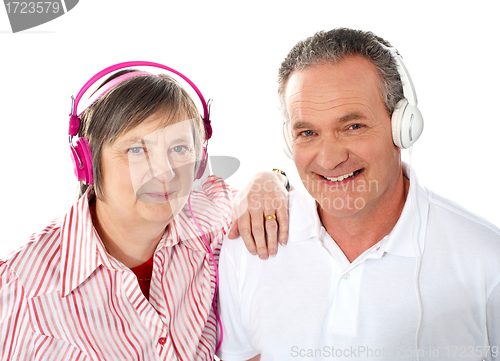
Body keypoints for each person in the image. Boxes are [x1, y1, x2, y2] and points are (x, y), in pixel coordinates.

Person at [217, 28, 500, 361]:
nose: (329, 158)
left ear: (403, 126)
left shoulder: (486, 259)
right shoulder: (249, 246)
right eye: (308, 132)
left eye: (353, 126)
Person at [0, 62, 290, 361]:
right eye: (136, 150)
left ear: (200, 160)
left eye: (179, 149)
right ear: (86, 162)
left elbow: (273, 197)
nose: (164, 172)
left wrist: (271, 178)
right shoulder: (19, 284)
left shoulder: (214, 218)